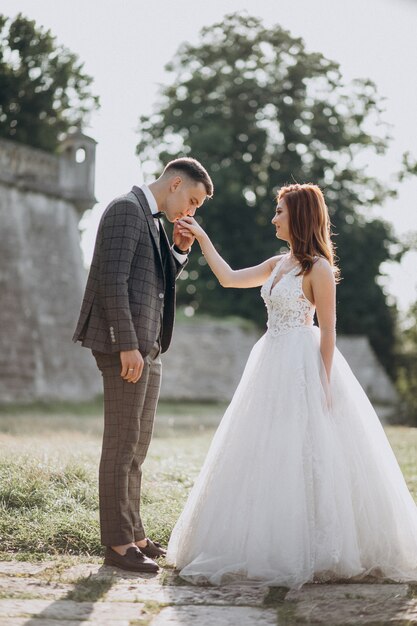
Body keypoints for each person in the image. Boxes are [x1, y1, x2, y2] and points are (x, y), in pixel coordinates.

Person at [166, 183, 417, 589]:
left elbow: (329, 329)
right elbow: (230, 279)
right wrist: (202, 237)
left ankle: (319, 546)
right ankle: (267, 540)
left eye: (280, 211)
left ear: (298, 216)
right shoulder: (278, 263)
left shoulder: (317, 268)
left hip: (303, 358)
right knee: (268, 449)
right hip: (270, 359)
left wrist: (325, 382)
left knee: (311, 449)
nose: (274, 218)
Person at [73, 158, 213, 572]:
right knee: (120, 444)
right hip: (126, 347)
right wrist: (126, 346)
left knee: (137, 446)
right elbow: (111, 282)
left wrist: (181, 248)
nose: (190, 211)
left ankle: (133, 533)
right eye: (191, 200)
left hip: (149, 347)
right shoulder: (125, 209)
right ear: (174, 184)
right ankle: (117, 546)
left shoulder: (152, 220)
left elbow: (158, 280)